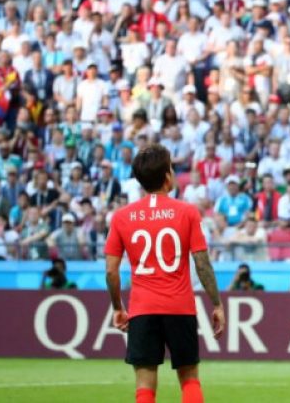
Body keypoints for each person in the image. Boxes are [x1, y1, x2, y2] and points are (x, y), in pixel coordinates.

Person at [104, 144, 225, 403]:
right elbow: (202, 263)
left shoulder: (122, 217)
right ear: (168, 176)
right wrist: (216, 304)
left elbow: (111, 271)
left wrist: (117, 308)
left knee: (145, 385)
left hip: (142, 308)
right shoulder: (188, 212)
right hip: (180, 308)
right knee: (190, 378)